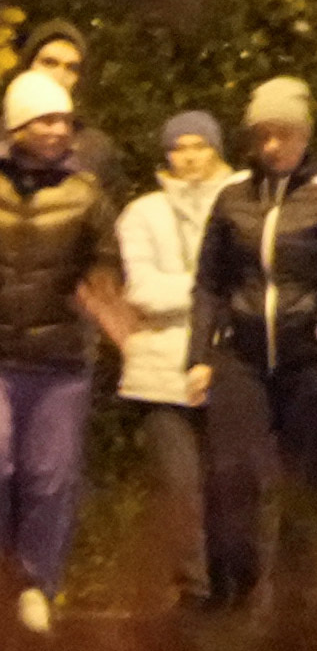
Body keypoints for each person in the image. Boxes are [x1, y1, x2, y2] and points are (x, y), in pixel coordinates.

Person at [189, 76, 317, 608]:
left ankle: (295, 602)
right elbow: (208, 283)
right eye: (262, 135)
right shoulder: (231, 197)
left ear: (304, 134)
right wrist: (198, 357)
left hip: (313, 361)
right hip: (242, 356)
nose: (272, 146)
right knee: (229, 474)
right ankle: (233, 589)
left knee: (302, 484)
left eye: (283, 134)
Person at [0, 69, 97, 635]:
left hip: (60, 364)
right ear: (19, 126)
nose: (60, 129)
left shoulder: (86, 193)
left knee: (50, 479)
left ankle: (38, 587)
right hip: (1, 357)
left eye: (65, 120)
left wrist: (106, 296)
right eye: (47, 120)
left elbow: (107, 261)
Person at [108, 109, 214, 605]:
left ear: (216, 149)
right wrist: (208, 290)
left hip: (230, 368)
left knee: (233, 485)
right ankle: (196, 588)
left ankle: (234, 586)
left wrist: (190, 293)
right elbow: (142, 291)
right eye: (179, 147)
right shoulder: (142, 213)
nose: (189, 156)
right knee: (180, 486)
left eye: (199, 145)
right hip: (159, 375)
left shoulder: (238, 203)